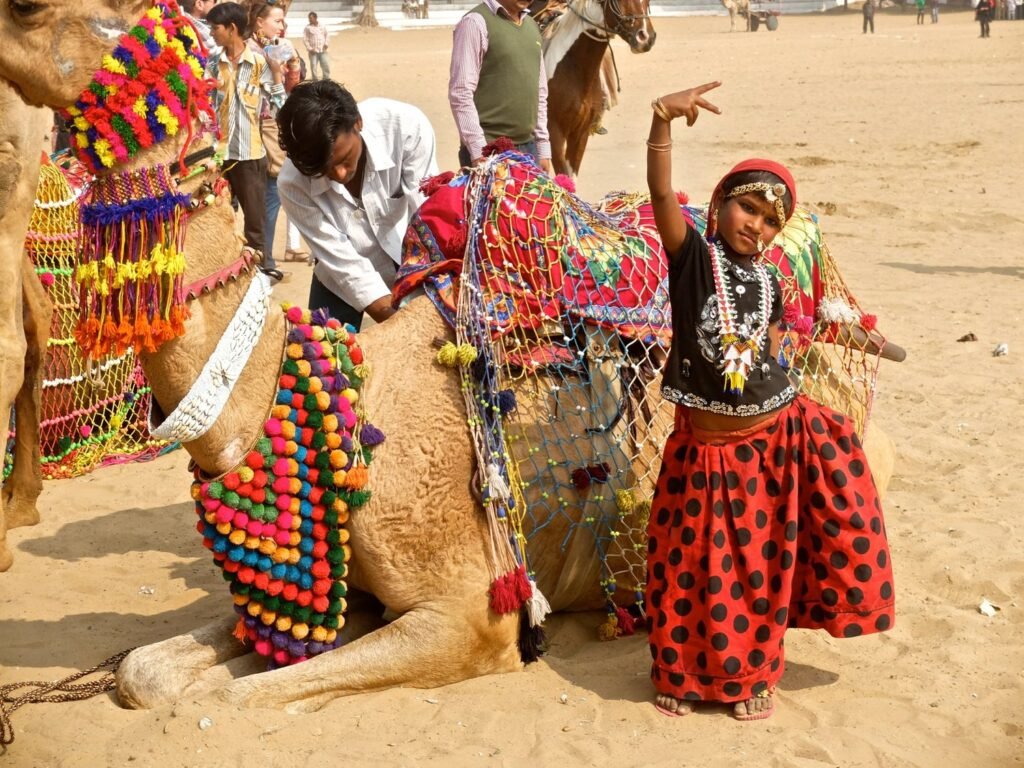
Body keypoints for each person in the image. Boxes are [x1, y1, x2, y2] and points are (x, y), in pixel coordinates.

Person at [643, 81, 895, 721]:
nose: (756, 226)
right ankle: (680, 672)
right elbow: (661, 196)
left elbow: (776, 344)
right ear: (722, 204)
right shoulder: (693, 260)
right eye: (747, 208)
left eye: (770, 219)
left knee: (756, 570)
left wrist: (787, 350)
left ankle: (751, 677)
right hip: (704, 451)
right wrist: (662, 125)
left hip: (768, 444)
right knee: (689, 568)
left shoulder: (770, 280)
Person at [277, 80, 438, 330]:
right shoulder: (293, 183)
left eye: (344, 159)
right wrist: (401, 327)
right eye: (324, 170)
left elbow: (429, 219)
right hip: (338, 272)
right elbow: (344, 264)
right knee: (325, 359)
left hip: (407, 253)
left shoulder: (406, 128)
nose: (340, 174)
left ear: (358, 123)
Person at [206, 2, 284, 269]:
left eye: (215, 27)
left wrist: (277, 77)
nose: (212, 32)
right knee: (217, 217)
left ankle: (259, 279)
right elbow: (205, 108)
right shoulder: (213, 63)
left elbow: (278, 103)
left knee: (255, 224)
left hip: (250, 155)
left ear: (232, 29)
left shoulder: (260, 63)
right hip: (217, 157)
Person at [448, 0, 553, 173]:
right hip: (490, 150)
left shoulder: (532, 26)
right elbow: (461, 92)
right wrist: (478, 151)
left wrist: (543, 147)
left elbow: (539, 91)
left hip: (529, 149)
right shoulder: (475, 23)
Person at [303, 12, 331, 81]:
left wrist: (326, 44)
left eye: (311, 18)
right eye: (309, 19)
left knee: (325, 65)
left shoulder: (322, 26)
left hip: (322, 50)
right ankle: (315, 80)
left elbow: (327, 35)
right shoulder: (307, 28)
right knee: (313, 66)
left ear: (315, 18)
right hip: (313, 51)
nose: (310, 20)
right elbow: (305, 39)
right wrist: (310, 49)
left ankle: (326, 79)